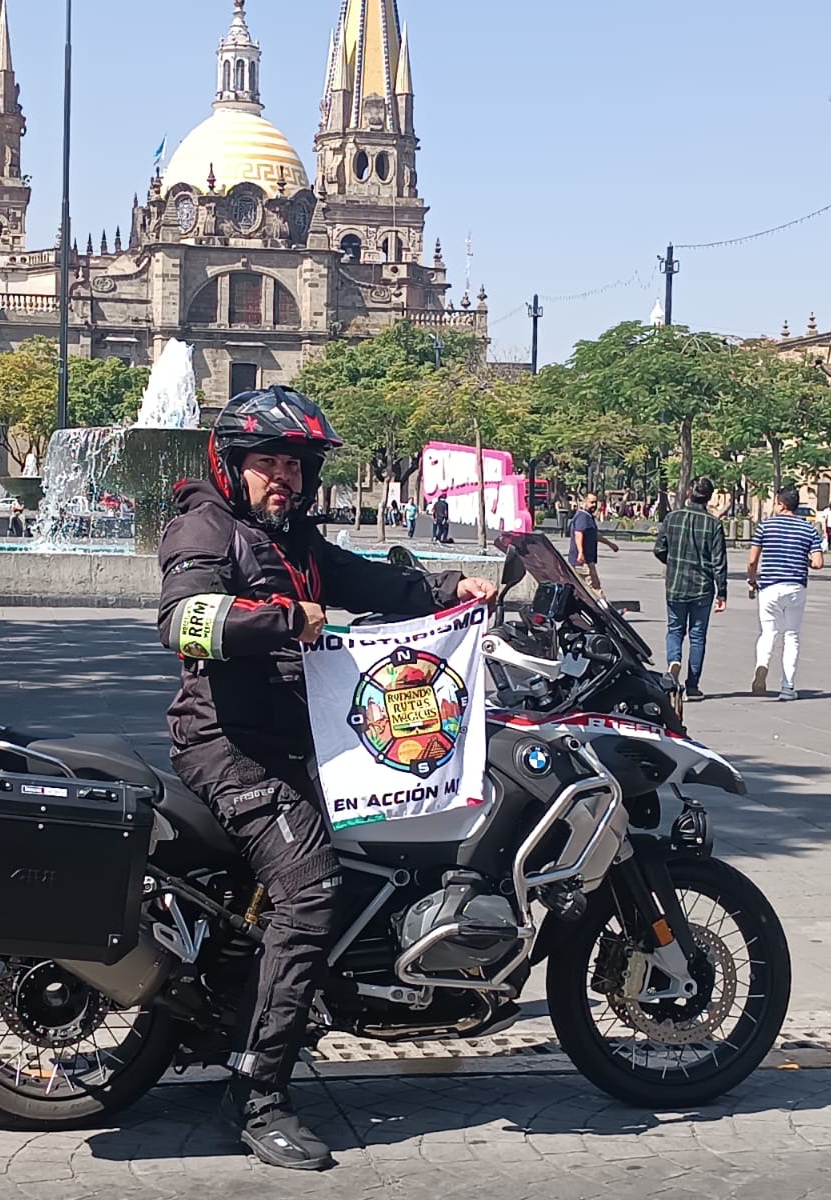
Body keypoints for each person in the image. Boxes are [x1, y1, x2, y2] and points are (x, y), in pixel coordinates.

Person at [158, 386, 497, 1171]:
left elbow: (371, 581)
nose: (283, 477)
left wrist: (453, 588)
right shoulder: (206, 525)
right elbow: (183, 620)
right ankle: (257, 1095)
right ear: (233, 465)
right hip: (228, 745)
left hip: (289, 738)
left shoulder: (294, 539)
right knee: (311, 891)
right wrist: (284, 619)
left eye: (294, 466)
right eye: (268, 463)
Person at [653, 478, 728, 701]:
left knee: (675, 628)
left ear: (689, 493)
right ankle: (693, 686)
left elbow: (659, 548)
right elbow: (719, 562)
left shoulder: (672, 518)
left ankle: (673, 662)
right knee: (698, 636)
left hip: (675, 584)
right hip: (702, 588)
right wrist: (722, 592)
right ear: (709, 497)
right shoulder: (713, 524)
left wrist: (672, 562)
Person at [748, 486, 825, 701]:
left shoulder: (765, 526)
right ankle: (788, 687)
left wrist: (752, 581)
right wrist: (804, 558)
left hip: (770, 586)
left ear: (781, 505)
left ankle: (762, 664)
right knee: (791, 635)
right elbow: (818, 563)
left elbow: (752, 560)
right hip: (795, 587)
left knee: (768, 631)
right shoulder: (808, 529)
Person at [567, 493, 620, 600]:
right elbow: (578, 534)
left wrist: (610, 544)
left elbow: (594, 535)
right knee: (594, 587)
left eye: (596, 502)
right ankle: (604, 612)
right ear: (584, 502)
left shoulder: (588, 517)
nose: (594, 505)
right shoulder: (583, 516)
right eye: (591, 502)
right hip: (583, 561)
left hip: (586, 559)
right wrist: (581, 552)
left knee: (584, 587)